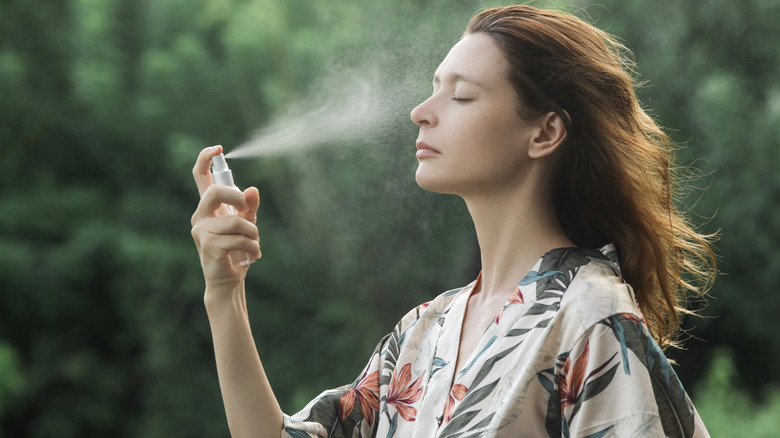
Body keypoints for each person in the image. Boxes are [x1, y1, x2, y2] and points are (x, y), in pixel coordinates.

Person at [190, 5, 717, 438]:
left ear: (544, 133)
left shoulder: (592, 318)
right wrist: (225, 293)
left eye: (461, 95)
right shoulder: (422, 333)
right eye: (433, 87)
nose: (422, 110)